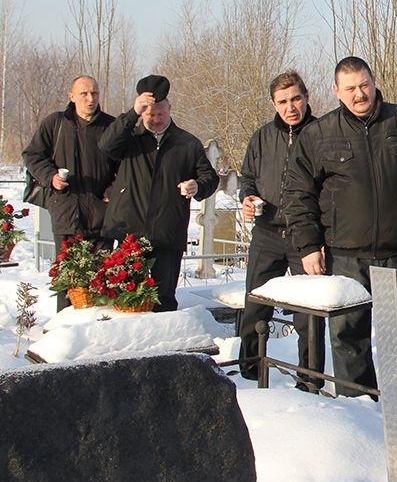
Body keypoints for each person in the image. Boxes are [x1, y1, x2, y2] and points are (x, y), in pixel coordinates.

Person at [284, 56, 397, 396]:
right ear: (335, 91)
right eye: (349, 88)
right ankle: (359, 410)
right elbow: (298, 194)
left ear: (374, 81)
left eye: (364, 85)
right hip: (346, 255)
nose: (359, 94)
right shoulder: (318, 134)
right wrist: (307, 246)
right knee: (348, 338)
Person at [99, 75, 219, 312]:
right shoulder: (129, 138)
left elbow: (210, 178)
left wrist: (197, 185)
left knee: (163, 300)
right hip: (129, 232)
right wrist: (131, 114)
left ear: (169, 109)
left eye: (159, 114)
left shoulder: (187, 143)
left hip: (167, 233)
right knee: (126, 299)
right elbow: (106, 145)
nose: (154, 119)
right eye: (149, 114)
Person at [237, 71, 317, 381]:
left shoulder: (320, 133)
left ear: (306, 96)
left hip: (304, 237)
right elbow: (247, 177)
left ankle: (310, 378)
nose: (290, 107)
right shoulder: (262, 136)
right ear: (273, 103)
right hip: (267, 231)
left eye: (295, 98)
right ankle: (248, 372)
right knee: (255, 305)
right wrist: (247, 196)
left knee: (306, 315)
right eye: (282, 101)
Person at [22, 75, 117, 311]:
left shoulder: (111, 127)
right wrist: (50, 177)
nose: (90, 99)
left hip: (101, 216)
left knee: (102, 279)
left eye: (94, 93)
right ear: (71, 96)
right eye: (84, 94)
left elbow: (125, 167)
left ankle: (98, 331)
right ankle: (65, 333)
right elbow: (33, 155)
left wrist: (111, 191)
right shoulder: (56, 123)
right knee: (68, 280)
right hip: (66, 214)